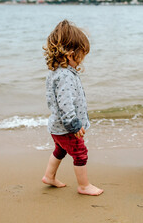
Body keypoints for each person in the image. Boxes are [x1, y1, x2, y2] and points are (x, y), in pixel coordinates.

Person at [41, 20, 103, 196]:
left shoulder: (57, 72)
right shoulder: (65, 76)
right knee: (80, 153)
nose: (82, 59)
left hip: (57, 127)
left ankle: (49, 176)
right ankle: (83, 186)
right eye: (81, 55)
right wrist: (74, 125)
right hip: (67, 127)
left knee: (60, 150)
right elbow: (65, 104)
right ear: (70, 54)